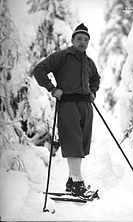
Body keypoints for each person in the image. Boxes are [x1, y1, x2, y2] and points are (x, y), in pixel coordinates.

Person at [33, 23, 100, 199]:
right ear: (72, 40)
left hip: (86, 106)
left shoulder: (89, 62)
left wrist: (92, 92)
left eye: (86, 40)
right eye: (79, 39)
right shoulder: (61, 57)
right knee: (73, 143)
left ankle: (71, 183)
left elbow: (95, 79)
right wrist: (52, 89)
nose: (82, 42)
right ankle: (78, 184)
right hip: (68, 105)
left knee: (82, 144)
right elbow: (39, 70)